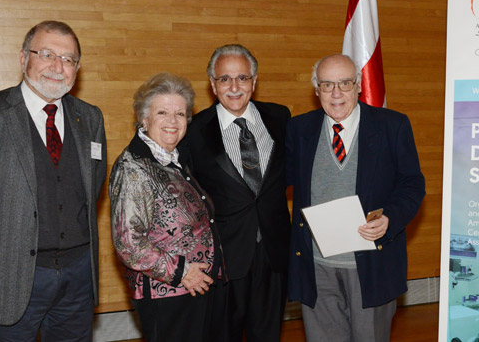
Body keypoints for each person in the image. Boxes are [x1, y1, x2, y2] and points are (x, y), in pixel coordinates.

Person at [0, 20, 107, 340]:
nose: (57, 67)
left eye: (68, 59)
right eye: (46, 54)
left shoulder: (90, 118)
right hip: (9, 277)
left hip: (78, 278)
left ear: (77, 68)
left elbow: (92, 188)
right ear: (23, 59)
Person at [286, 54, 426, 341]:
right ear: (316, 90)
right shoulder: (299, 129)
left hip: (371, 266)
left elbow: (412, 184)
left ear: (359, 86)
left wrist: (390, 218)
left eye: (345, 83)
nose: (336, 93)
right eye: (327, 85)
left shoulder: (392, 125)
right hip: (317, 268)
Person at [181, 44, 291, 341]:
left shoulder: (280, 118)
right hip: (223, 259)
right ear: (212, 83)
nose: (234, 87)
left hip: (273, 255)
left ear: (254, 81)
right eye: (224, 79)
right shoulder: (194, 130)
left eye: (242, 78)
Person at [109, 73, 224, 342]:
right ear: (144, 118)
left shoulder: (174, 158)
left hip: (193, 289)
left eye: (180, 114)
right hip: (168, 293)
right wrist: (182, 272)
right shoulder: (134, 168)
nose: (172, 121)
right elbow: (129, 244)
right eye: (162, 112)